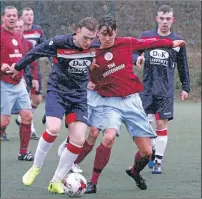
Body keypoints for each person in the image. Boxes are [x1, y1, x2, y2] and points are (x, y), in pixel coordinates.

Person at [57, 15, 186, 193]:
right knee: (108, 137)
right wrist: (88, 78)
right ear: (98, 34)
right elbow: (70, 62)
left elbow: (150, 43)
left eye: (111, 34)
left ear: (116, 32)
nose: (108, 38)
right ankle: (93, 182)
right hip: (109, 103)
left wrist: (172, 44)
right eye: (104, 34)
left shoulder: (126, 43)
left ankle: (134, 172)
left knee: (147, 152)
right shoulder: (91, 52)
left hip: (132, 101)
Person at [8, 17, 99, 194]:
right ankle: (35, 167)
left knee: (79, 139)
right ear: (77, 30)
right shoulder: (59, 42)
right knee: (53, 129)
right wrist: (18, 67)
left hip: (78, 97)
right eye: (85, 37)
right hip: (57, 92)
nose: (88, 42)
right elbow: (35, 52)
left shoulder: (95, 47)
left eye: (92, 38)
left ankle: (56, 180)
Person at [133, 5, 190, 174]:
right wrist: (137, 58)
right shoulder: (146, 37)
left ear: (172, 20)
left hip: (165, 90)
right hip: (147, 89)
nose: (164, 22)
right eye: (162, 18)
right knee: (147, 126)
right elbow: (132, 52)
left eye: (168, 19)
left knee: (161, 123)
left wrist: (185, 87)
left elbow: (183, 66)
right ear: (156, 19)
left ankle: (158, 161)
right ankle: (151, 154)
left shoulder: (178, 41)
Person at [0, 6, 34, 160]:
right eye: (9, 16)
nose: (12, 18)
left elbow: (22, 59)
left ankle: (23, 152)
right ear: (3, 18)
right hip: (4, 83)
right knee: (4, 122)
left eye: (14, 15)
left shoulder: (19, 36)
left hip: (18, 83)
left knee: (27, 116)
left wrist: (27, 78)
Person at [15, 7, 46, 140]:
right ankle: (29, 125)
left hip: (33, 67)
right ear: (21, 18)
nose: (30, 17)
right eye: (27, 14)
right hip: (18, 68)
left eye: (31, 14)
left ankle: (20, 118)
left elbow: (44, 46)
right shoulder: (16, 30)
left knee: (37, 99)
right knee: (25, 99)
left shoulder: (37, 30)